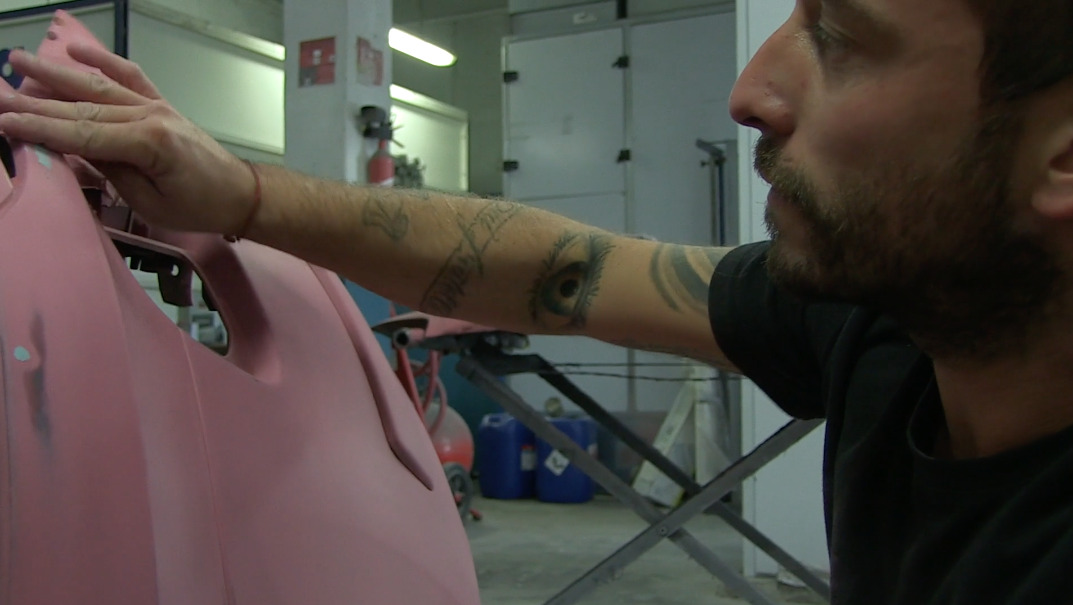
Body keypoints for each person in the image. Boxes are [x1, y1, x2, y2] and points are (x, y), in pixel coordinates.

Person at [1, 0, 1072, 602]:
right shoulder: (886, 326)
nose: (751, 91)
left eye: (840, 38)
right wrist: (240, 193)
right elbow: (572, 267)